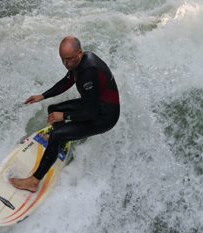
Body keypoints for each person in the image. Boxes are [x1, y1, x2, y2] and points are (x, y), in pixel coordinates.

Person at [9, 36, 120, 192]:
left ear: (80, 53)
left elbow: (91, 112)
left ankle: (34, 181)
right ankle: (59, 143)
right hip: (92, 104)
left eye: (69, 59)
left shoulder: (89, 71)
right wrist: (43, 95)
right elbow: (67, 81)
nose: (66, 64)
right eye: (63, 60)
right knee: (53, 110)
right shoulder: (78, 62)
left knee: (57, 133)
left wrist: (65, 117)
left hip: (104, 116)